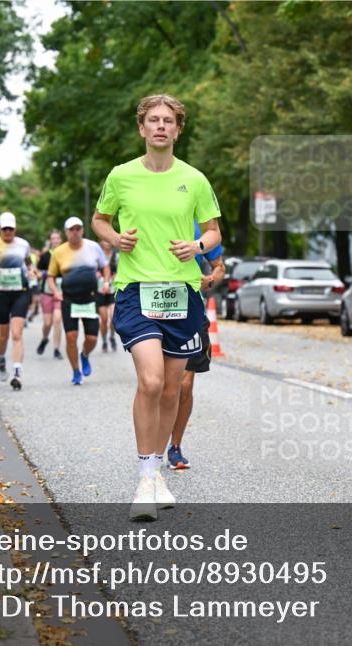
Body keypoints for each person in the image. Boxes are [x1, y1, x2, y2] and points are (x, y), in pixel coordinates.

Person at [92, 93, 222, 521]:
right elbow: (100, 220)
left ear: (178, 130)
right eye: (153, 120)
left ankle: (157, 469)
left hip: (182, 293)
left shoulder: (195, 180)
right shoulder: (121, 176)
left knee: (171, 388)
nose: (161, 126)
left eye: (169, 120)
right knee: (150, 382)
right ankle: (146, 474)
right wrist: (114, 240)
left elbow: (213, 232)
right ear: (142, 128)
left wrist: (197, 245)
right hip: (136, 290)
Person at [167, 221, 225, 469]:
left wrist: (210, 280)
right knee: (159, 384)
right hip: (155, 313)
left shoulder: (201, 229)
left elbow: (219, 267)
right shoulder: (148, 216)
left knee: (185, 385)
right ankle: (152, 446)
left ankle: (175, 446)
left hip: (191, 312)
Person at [47, 217, 110, 385]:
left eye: (78, 229)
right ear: (66, 232)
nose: (75, 232)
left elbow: (105, 266)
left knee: (92, 338)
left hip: (89, 297)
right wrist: (55, 292)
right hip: (69, 299)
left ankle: (85, 355)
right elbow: (51, 277)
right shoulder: (59, 252)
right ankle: (76, 371)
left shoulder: (93, 247)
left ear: (82, 230)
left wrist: (105, 281)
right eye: (71, 230)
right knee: (71, 336)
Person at [0, 212, 34, 390]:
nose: (8, 231)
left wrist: (32, 271)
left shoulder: (23, 244)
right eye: (4, 229)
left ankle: (17, 372)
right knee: (3, 334)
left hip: (20, 292)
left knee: (16, 333)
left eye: (10, 228)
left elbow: (28, 263)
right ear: (0, 229)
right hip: (0, 294)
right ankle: (1, 359)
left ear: (15, 228)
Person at [36, 230, 65, 360]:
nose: (56, 241)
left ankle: (56, 349)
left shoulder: (66, 253)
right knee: (47, 323)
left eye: (58, 238)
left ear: (61, 240)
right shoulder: (45, 256)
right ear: (50, 241)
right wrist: (44, 274)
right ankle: (44, 338)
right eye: (53, 239)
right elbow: (37, 271)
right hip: (47, 291)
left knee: (57, 319)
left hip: (61, 292)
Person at [97, 239, 119, 352]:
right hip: (100, 290)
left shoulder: (116, 256)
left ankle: (112, 336)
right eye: (105, 241)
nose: (107, 243)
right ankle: (104, 340)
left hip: (112, 290)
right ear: (100, 242)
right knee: (104, 319)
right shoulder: (97, 256)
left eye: (108, 241)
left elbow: (120, 271)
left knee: (113, 316)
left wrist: (116, 276)